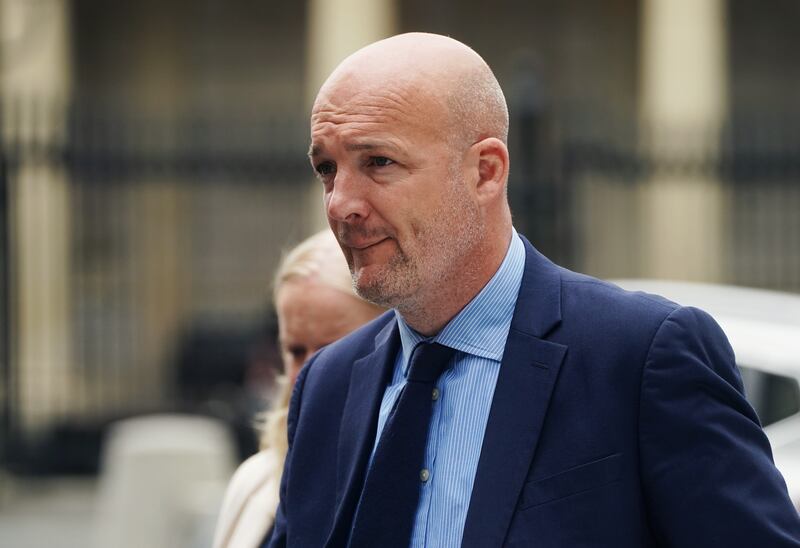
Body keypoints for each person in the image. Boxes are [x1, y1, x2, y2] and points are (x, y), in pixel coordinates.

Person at [268, 33, 800, 548]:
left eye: (378, 162)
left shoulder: (641, 358)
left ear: (486, 171)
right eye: (327, 169)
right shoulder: (326, 385)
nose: (340, 204)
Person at [212, 230, 383, 548]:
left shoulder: (416, 478)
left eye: (333, 350)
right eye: (296, 351)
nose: (311, 372)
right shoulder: (255, 482)